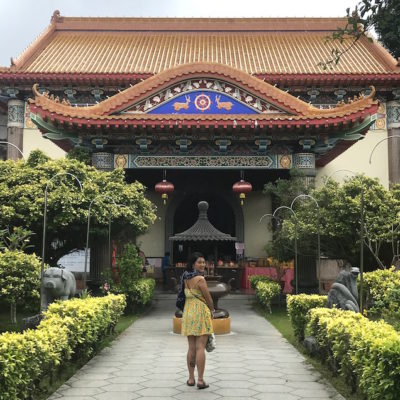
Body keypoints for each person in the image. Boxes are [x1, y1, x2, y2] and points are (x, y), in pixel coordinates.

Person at [179, 252, 214, 389]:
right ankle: (200, 380)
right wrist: (212, 310)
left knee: (191, 347)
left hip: (188, 312)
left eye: (204, 262)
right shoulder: (200, 279)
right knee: (200, 347)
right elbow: (208, 298)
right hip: (200, 312)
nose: (202, 264)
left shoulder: (185, 278)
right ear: (193, 264)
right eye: (199, 262)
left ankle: (190, 378)